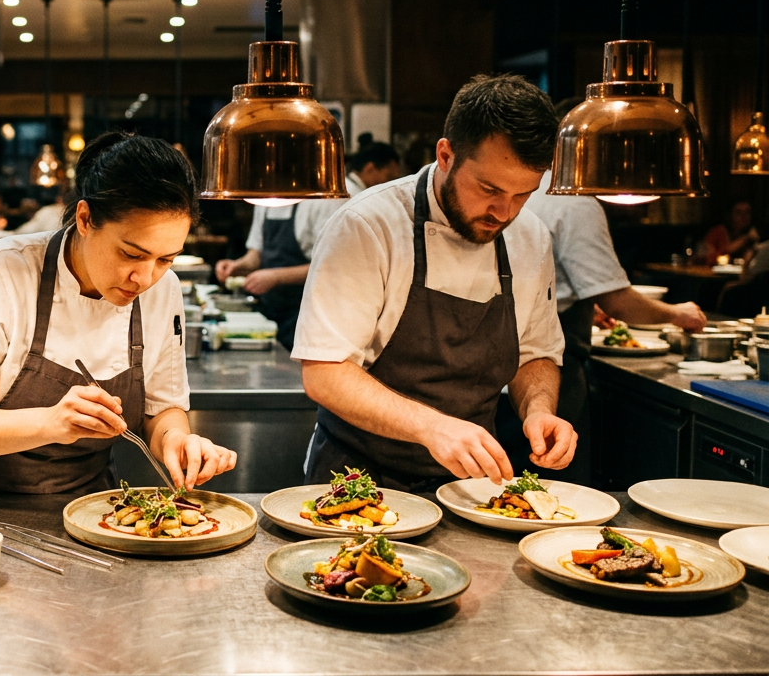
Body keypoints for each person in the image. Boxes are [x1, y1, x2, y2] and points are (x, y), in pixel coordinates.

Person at [0, 132, 237, 494]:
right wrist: (50, 422)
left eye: (165, 259)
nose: (145, 278)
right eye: (131, 254)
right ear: (84, 219)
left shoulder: (163, 288)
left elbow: (161, 409)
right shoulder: (0, 271)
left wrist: (175, 439)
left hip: (86, 505)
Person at [295, 75, 575, 490]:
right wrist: (433, 428)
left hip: (472, 485)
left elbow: (534, 351)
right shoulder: (368, 225)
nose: (503, 212)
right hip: (357, 478)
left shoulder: (530, 236)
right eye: (488, 189)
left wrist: (538, 409)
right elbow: (324, 371)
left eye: (522, 195)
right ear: (445, 155)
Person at [510, 167, 706, 483]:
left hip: (507, 386)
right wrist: (675, 313)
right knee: (554, 486)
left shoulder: (519, 189)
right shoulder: (574, 201)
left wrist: (587, 303)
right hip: (551, 371)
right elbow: (617, 299)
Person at [214, 144, 403, 349]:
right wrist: (237, 266)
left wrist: (275, 277)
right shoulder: (267, 199)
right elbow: (256, 254)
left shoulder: (325, 200)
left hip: (308, 312)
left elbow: (332, 265)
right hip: (269, 310)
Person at [699, 201, 758, 265]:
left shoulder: (753, 233)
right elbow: (708, 258)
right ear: (729, 215)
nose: (744, 216)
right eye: (738, 213)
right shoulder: (717, 232)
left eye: (747, 212)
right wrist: (745, 239)